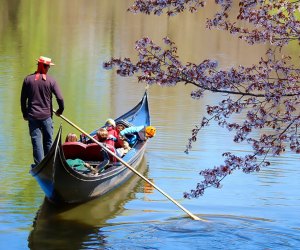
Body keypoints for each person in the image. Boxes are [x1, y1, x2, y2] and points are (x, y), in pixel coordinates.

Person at [21, 56, 64, 166]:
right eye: (49, 66)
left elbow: (23, 99)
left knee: (36, 142)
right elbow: (60, 98)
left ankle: (40, 166)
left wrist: (25, 114)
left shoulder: (28, 79)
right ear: (46, 67)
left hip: (32, 117)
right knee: (48, 141)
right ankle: (49, 165)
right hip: (46, 117)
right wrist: (60, 110)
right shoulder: (51, 81)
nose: (49, 68)